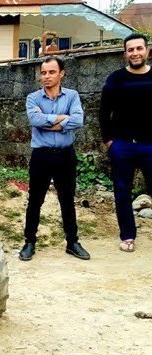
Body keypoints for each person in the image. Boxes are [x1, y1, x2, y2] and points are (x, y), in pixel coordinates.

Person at [19, 56, 90, 261]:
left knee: (67, 200)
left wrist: (48, 121)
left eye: (51, 72)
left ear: (61, 73)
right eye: (43, 73)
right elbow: (35, 119)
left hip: (65, 155)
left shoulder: (72, 95)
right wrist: (62, 118)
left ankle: (72, 242)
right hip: (41, 156)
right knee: (35, 200)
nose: (46, 76)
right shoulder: (33, 98)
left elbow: (78, 120)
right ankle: (29, 242)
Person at [99, 33, 152, 253]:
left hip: (150, 145)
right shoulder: (115, 78)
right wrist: (109, 141)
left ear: (147, 51)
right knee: (122, 191)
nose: (135, 53)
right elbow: (104, 112)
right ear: (125, 54)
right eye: (130, 50)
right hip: (122, 145)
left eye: (139, 48)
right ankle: (127, 236)